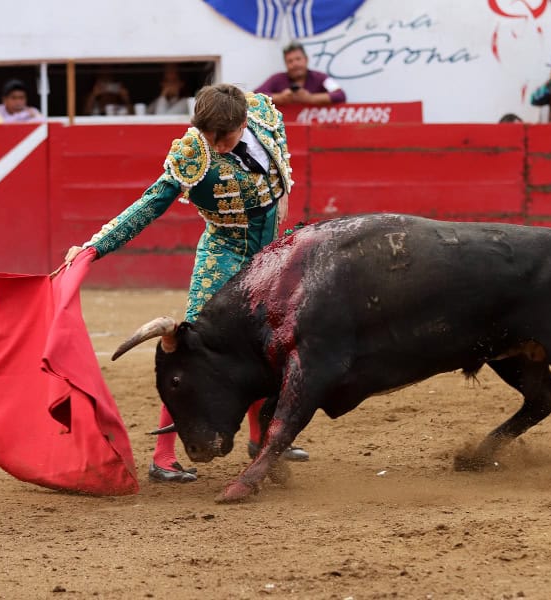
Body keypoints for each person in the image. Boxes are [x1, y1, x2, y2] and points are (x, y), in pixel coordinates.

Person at [63, 83, 309, 483]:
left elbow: (276, 167)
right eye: (208, 137)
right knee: (192, 352)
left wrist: (280, 206)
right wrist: (94, 248)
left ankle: (260, 438)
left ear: (243, 122)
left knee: (268, 344)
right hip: (224, 254)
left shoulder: (263, 114)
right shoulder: (194, 152)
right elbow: (150, 204)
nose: (215, 146)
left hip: (270, 255)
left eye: (224, 138)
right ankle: (163, 457)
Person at [255, 41, 346, 106]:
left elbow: (340, 95)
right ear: (285, 64)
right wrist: (280, 98)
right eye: (290, 61)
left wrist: (310, 98)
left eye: (298, 59)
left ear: (306, 59)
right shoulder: (277, 79)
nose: (295, 64)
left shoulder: (320, 78)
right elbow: (255, 96)